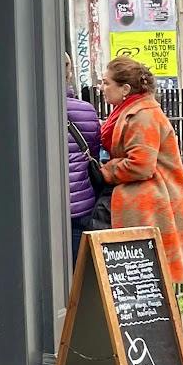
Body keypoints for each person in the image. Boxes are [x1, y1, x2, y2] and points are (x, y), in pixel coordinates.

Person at [99, 57, 183, 284]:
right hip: (151, 201)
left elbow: (140, 165)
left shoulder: (143, 115)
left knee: (149, 280)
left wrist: (107, 170)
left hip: (157, 202)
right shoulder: (130, 111)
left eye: (106, 83)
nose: (102, 88)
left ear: (125, 88)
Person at [65, 54, 101, 261]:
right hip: (81, 202)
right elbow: (93, 154)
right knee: (77, 269)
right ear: (69, 72)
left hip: (40, 206)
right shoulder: (86, 110)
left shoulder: (25, 109)